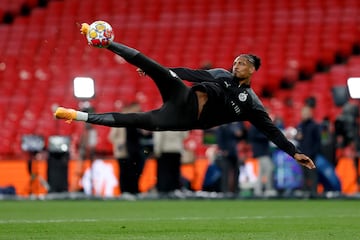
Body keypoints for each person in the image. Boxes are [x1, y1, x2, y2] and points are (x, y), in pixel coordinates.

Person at [54, 22, 316, 170]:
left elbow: (271, 131)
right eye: (236, 61)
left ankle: (76, 115)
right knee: (152, 65)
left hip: (183, 120)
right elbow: (190, 73)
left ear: (254, 70)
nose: (237, 65)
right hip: (185, 98)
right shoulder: (219, 74)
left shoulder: (252, 104)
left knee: (134, 120)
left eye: (243, 63)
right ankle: (106, 42)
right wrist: (167, 73)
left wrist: (294, 152)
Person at [108, 102, 146, 195]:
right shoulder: (119, 120)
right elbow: (111, 136)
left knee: (134, 171)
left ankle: (133, 189)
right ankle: (124, 191)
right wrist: (120, 143)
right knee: (124, 171)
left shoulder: (135, 121)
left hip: (134, 150)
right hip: (123, 151)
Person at [295, 106, 321, 198]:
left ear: (310, 114)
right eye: (303, 113)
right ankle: (305, 192)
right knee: (303, 174)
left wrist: (314, 152)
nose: (304, 115)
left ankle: (314, 193)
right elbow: (297, 138)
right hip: (302, 154)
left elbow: (318, 141)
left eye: (306, 113)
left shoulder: (314, 125)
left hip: (311, 154)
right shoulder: (300, 125)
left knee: (312, 174)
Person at [153, 130, 188, 196]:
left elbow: (158, 137)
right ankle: (174, 191)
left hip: (164, 150)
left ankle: (163, 192)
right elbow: (185, 135)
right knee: (175, 173)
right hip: (177, 149)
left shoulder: (161, 121)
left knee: (164, 174)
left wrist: (157, 150)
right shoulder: (178, 121)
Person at [215, 122, 245, 194]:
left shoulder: (239, 124)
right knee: (225, 172)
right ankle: (225, 190)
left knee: (236, 172)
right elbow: (219, 137)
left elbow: (243, 135)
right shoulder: (224, 126)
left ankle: (236, 190)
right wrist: (223, 149)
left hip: (235, 152)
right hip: (226, 152)